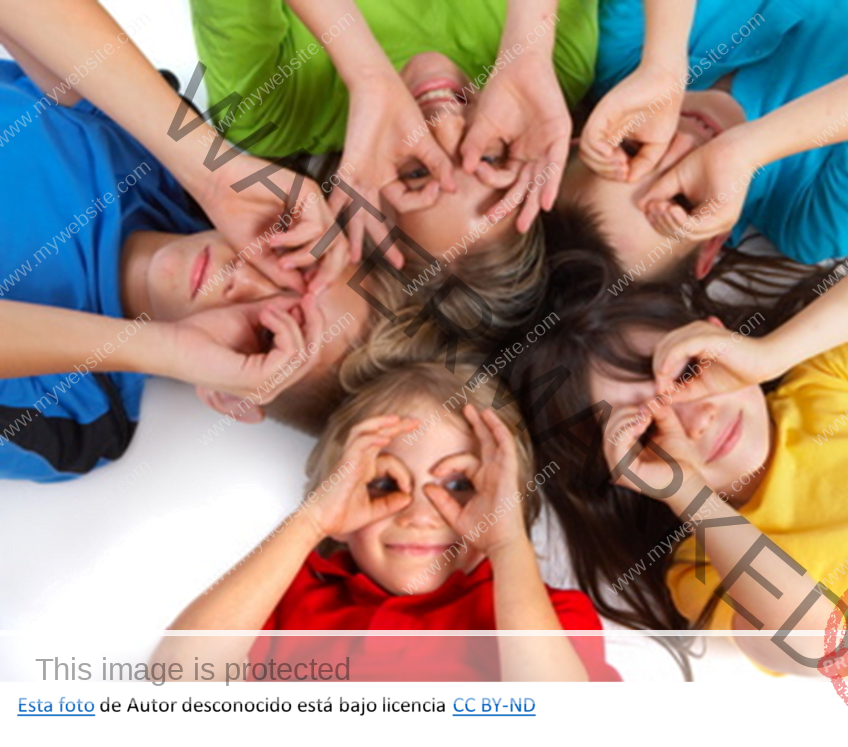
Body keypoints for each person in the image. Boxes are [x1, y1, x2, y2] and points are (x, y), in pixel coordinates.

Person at [516, 224, 848, 678]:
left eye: (689, 371)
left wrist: (770, 354)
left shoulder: (828, 386)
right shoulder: (705, 569)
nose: (697, 416)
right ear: (626, 471)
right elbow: (822, 642)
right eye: (646, 429)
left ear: (715, 338)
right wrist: (686, 492)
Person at [0, 57, 398, 481]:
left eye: (269, 334)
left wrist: (167, 348)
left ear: (231, 398)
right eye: (296, 262)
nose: (244, 277)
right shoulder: (167, 159)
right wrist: (211, 169)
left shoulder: (76, 417)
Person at [151, 333, 620, 682]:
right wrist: (312, 520)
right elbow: (176, 679)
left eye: (459, 485)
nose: (418, 515)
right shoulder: (293, 599)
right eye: (383, 483)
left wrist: (507, 542)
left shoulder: (545, 615)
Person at [188, 0, 599, 321]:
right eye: (487, 155)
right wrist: (529, 46)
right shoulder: (547, 75)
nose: (446, 124)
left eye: (417, 171)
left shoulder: (269, 111)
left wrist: (366, 73)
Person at [576, 0, 848, 271]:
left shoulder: (630, 69)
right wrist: (744, 150)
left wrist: (663, 62)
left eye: (632, 151)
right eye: (682, 199)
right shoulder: (811, 219)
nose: (683, 145)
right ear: (710, 245)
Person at [0, 0, 349, 292]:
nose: (243, 279)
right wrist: (212, 176)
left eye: (269, 337)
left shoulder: (44, 340)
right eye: (290, 257)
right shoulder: (155, 167)